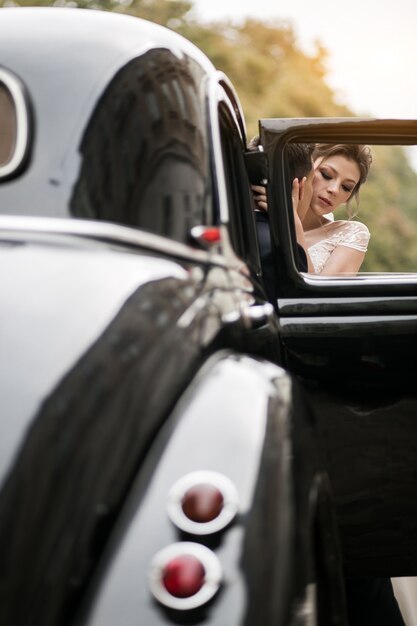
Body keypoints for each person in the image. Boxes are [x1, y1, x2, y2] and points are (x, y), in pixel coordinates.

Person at [252, 142, 373, 276]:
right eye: (326, 175)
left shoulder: (351, 234)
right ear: (307, 168)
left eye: (346, 187)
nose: (334, 190)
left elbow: (318, 296)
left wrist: (293, 223)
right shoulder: (258, 217)